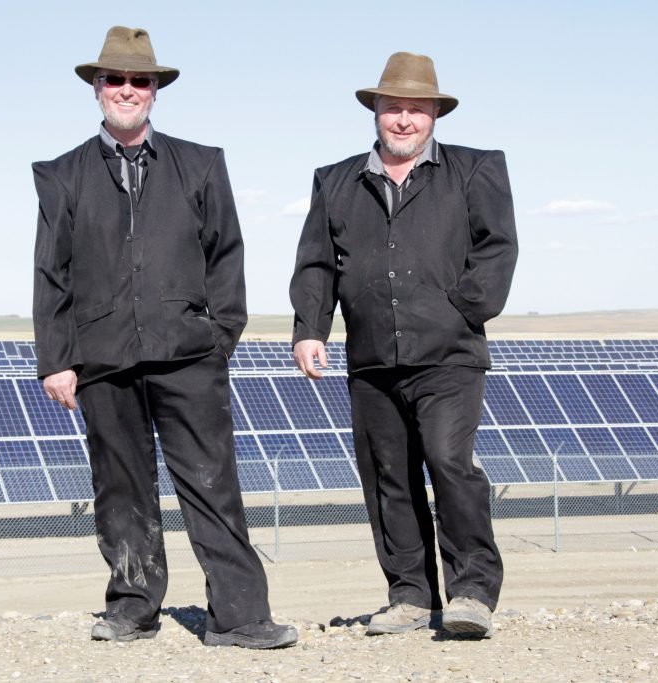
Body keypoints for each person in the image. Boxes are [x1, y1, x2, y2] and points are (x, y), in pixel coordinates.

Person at [32, 26, 297, 649]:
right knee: (120, 487)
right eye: (116, 80)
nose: (128, 90)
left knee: (211, 482)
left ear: (156, 91)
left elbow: (226, 256)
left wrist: (218, 338)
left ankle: (239, 616)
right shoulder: (62, 175)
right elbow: (51, 273)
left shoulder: (201, 163)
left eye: (140, 81)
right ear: (97, 89)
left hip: (189, 357)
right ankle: (132, 606)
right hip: (103, 359)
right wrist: (57, 360)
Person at [290, 52, 518, 638]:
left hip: (449, 356)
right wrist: (310, 328)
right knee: (388, 476)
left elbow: (497, 248)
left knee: (448, 462)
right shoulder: (336, 180)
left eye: (417, 109)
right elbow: (317, 262)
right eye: (394, 108)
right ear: (376, 112)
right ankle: (412, 596)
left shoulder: (475, 169)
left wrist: (465, 308)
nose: (404, 120)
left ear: (435, 115)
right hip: (370, 358)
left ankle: (471, 593)